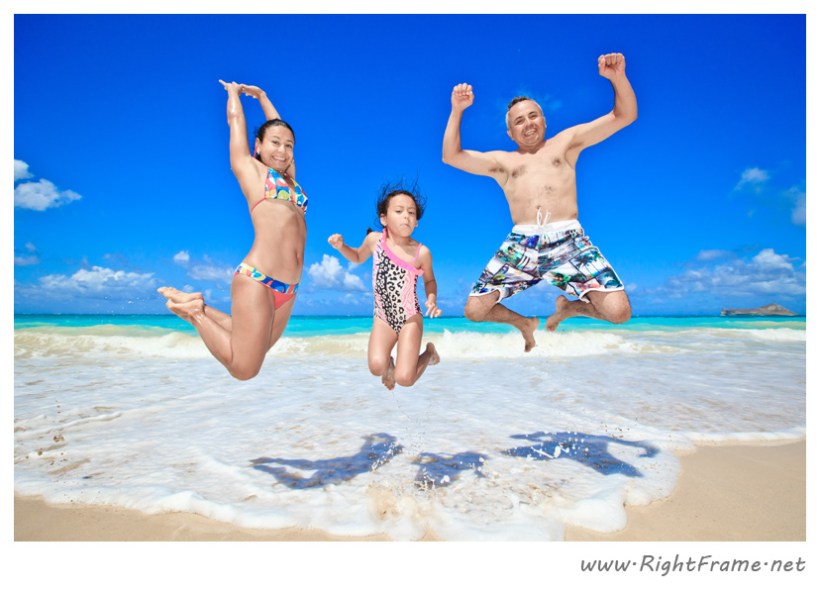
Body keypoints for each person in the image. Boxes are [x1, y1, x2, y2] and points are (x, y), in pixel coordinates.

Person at [442, 52, 637, 352]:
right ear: (510, 132)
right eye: (519, 121)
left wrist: (617, 78)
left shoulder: (566, 143)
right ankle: (523, 323)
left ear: (544, 120)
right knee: (474, 310)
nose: (528, 123)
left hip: (568, 240)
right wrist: (457, 110)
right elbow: (451, 156)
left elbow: (624, 115)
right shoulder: (503, 162)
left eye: (533, 116)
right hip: (522, 245)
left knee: (619, 312)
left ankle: (571, 308)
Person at [157, 80, 307, 380]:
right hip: (257, 279)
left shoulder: (289, 180)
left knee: (253, 346)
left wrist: (264, 96)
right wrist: (234, 94)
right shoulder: (250, 170)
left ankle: (196, 305)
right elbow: (237, 121)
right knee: (244, 368)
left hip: (288, 289)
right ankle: (196, 314)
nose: (283, 150)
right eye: (275, 143)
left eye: (289, 146)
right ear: (258, 147)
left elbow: (279, 127)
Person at [328, 183, 441, 390]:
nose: (406, 216)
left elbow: (430, 281)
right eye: (398, 211)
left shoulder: (421, 252)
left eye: (411, 213)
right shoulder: (375, 241)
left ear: (416, 222)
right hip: (383, 316)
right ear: (384, 218)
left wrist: (432, 299)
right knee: (376, 366)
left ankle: (429, 354)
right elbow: (357, 256)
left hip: (409, 318)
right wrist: (341, 247)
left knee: (405, 379)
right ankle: (388, 363)